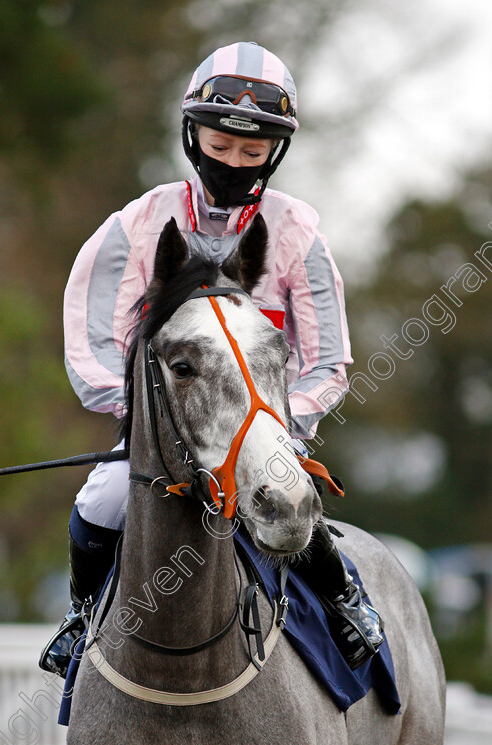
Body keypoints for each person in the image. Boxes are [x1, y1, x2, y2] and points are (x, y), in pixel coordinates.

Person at [39, 42, 383, 678]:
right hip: (164, 432)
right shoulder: (137, 225)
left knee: (285, 494)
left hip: (262, 427)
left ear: (275, 151)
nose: (235, 162)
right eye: (221, 146)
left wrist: (277, 431)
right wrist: (155, 424)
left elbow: (329, 360)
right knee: (104, 497)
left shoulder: (297, 230)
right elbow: (90, 349)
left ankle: (346, 598)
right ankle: (83, 615)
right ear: (192, 136)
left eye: (253, 152)